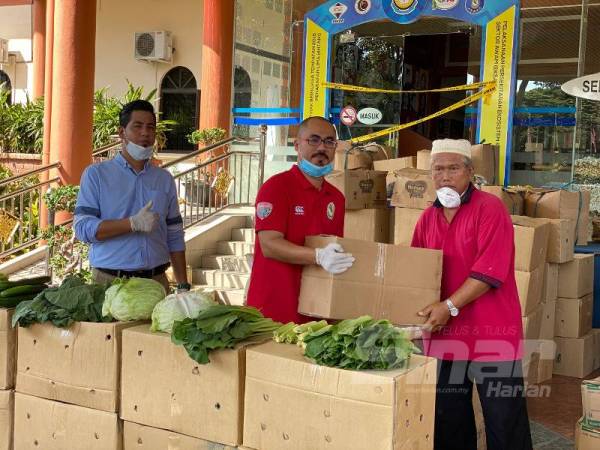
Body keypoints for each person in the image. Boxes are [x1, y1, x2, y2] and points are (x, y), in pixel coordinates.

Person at [411, 139, 532, 450]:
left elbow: (489, 272)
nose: (445, 176)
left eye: (453, 168)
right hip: (444, 335)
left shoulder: (490, 208)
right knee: (448, 419)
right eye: (438, 169)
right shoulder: (427, 219)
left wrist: (448, 306)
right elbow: (417, 274)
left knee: (505, 421)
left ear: (470, 171)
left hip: (492, 331)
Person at [246, 116, 355, 323]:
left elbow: (333, 248)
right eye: (313, 140)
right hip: (273, 314)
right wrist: (318, 256)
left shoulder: (336, 198)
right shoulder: (276, 188)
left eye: (329, 141)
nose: (322, 147)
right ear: (297, 145)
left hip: (315, 317)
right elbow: (269, 245)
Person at [74, 100, 190, 293]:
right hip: (109, 283)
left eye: (150, 127)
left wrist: (183, 285)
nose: (145, 133)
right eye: (137, 126)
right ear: (122, 133)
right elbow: (82, 228)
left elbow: (175, 235)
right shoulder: (97, 175)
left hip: (157, 283)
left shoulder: (164, 179)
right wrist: (132, 224)